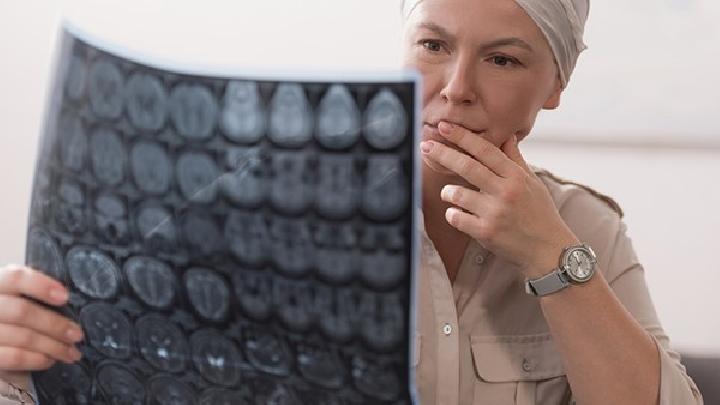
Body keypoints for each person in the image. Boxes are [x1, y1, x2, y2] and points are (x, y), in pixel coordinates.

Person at [0, 0, 704, 404]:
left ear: (555, 85)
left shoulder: (586, 229)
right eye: (433, 44)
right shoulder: (256, 199)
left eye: (503, 59)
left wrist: (551, 256)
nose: (456, 87)